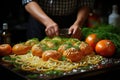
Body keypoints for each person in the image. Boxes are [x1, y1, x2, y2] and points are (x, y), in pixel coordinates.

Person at [22, 0, 94, 40]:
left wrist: (78, 23)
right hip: (40, 19)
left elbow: (86, 3)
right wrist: (47, 22)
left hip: (72, 21)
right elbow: (28, 1)